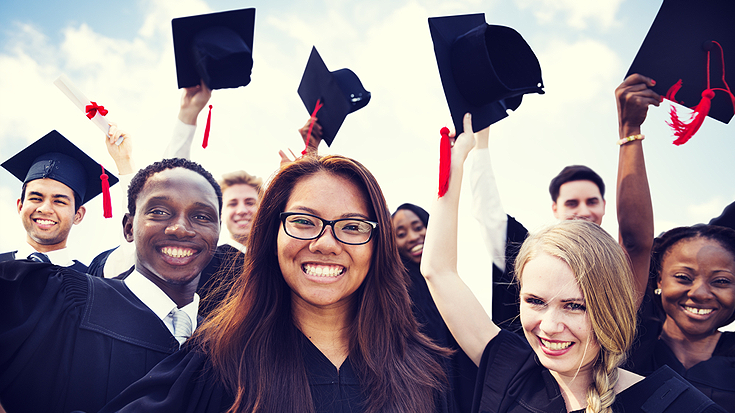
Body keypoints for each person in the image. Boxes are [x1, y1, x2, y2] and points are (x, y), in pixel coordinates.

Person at [99, 154, 452, 413]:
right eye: (303, 221)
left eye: (353, 226)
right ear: (272, 236)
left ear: (378, 247)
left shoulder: (428, 369)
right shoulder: (218, 361)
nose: (326, 243)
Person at [421, 113, 724, 412]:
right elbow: (438, 270)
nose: (550, 327)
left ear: (614, 306)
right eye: (535, 301)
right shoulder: (511, 370)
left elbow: (636, 241)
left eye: (575, 306)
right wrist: (457, 160)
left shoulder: (674, 404)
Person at [0, 157, 221, 413]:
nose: (181, 229)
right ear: (128, 228)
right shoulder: (66, 300)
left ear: (217, 231)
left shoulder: (228, 344)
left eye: (202, 216)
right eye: (159, 212)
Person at [474, 73, 656, 334]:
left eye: (591, 201)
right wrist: (479, 140)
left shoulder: (617, 267)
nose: (583, 212)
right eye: (572, 203)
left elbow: (635, 242)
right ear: (555, 209)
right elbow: (488, 213)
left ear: (605, 206)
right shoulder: (528, 254)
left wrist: (630, 132)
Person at [625, 225, 735, 411]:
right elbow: (635, 243)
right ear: (660, 279)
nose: (700, 294)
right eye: (683, 277)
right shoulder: (628, 353)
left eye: (721, 281)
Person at [1, 129, 128, 272]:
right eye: (36, 198)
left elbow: (136, 247)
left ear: (78, 215)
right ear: (20, 206)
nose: (45, 208)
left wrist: (125, 162)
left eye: (59, 201)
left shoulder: (92, 283)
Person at [197, 170, 262, 317]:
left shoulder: (279, 261)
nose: (241, 210)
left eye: (250, 202)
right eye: (232, 204)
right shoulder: (206, 261)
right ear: (221, 214)